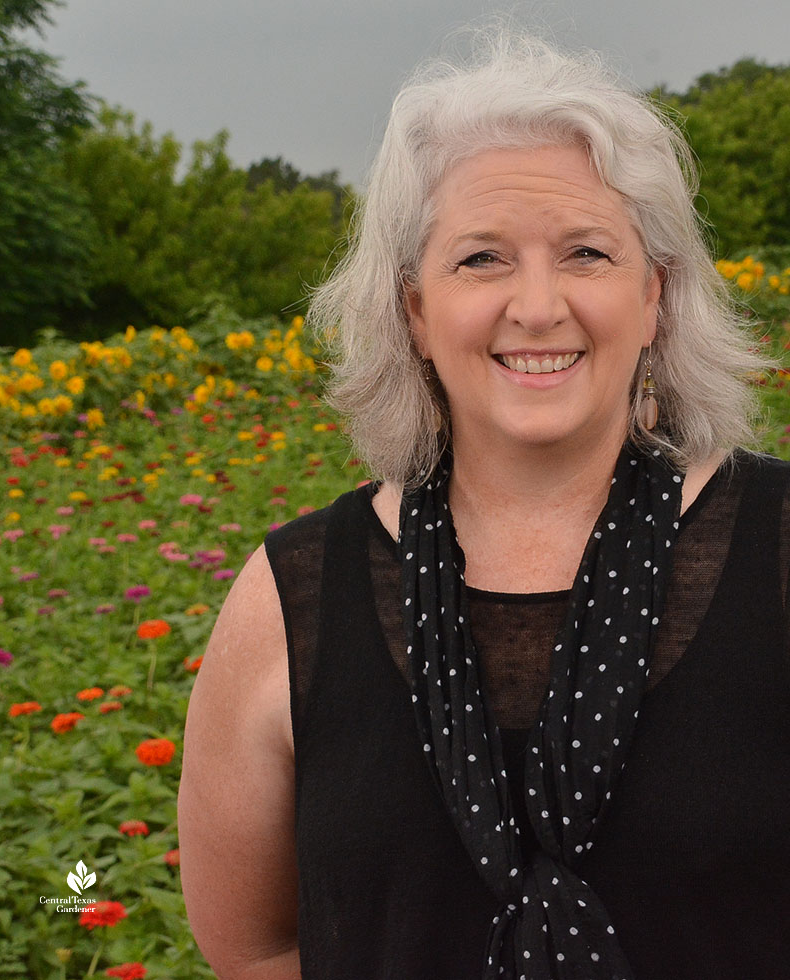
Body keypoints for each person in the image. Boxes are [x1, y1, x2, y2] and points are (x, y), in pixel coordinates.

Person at [178, 30, 790, 980]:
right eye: (482, 260)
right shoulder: (288, 599)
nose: (537, 305)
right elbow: (254, 947)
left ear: (655, 299)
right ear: (414, 309)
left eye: (587, 252)